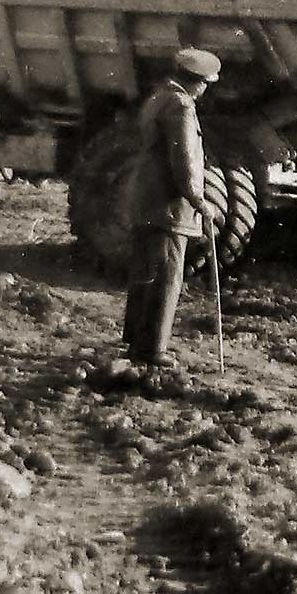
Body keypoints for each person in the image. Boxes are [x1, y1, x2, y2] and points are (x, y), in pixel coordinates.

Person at [121, 48, 221, 366]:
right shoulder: (181, 106)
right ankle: (152, 350)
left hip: (144, 199)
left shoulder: (158, 97)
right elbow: (185, 160)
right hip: (167, 205)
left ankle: (136, 341)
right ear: (199, 83)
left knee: (145, 272)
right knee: (167, 275)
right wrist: (199, 201)